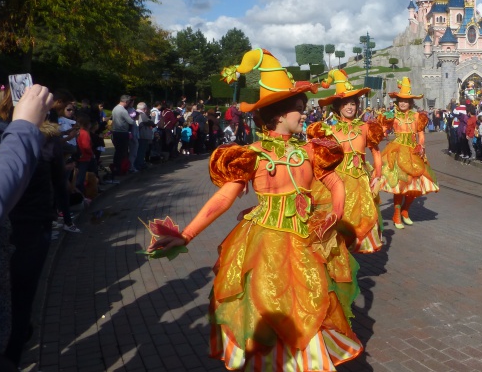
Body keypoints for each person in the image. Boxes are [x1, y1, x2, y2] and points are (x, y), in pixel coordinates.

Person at [147, 48, 361, 370]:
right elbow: (223, 198)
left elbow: (334, 183)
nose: (304, 114)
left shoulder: (311, 150)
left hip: (305, 239)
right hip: (264, 243)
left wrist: (335, 214)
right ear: (278, 114)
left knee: (311, 302)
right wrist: (187, 234)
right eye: (299, 110)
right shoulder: (252, 155)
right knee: (266, 307)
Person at [0, 85, 53, 369]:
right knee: (17, 308)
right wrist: (26, 127)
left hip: (24, 231)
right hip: (25, 233)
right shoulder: (20, 137)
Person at [309, 69, 385, 254]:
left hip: (359, 180)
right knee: (335, 217)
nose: (350, 107)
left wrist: (378, 174)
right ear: (338, 107)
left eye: (353, 103)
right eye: (346, 104)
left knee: (358, 218)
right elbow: (319, 158)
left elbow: (375, 152)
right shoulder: (329, 130)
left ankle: (348, 255)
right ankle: (338, 255)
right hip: (336, 179)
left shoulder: (366, 127)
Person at [376, 77, 439, 229]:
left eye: (406, 100)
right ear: (397, 102)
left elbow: (421, 134)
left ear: (411, 102)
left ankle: (405, 210)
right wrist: (383, 130)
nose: (403, 103)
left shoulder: (418, 116)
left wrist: (421, 145)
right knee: (400, 184)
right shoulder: (392, 116)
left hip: (413, 151)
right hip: (397, 150)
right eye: (400, 100)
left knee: (415, 184)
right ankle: (396, 214)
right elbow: (384, 131)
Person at [110, 95, 135, 174]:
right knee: (122, 152)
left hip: (115, 132)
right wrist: (134, 119)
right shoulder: (123, 110)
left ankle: (116, 167)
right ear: (126, 102)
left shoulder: (115, 108)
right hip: (122, 132)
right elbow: (131, 121)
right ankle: (120, 169)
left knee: (117, 151)